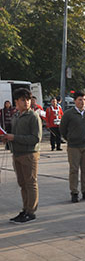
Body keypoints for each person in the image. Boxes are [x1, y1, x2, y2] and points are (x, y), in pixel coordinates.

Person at [1, 88, 42, 223]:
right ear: (16, 102)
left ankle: (31, 212)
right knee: (22, 183)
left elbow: (35, 138)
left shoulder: (33, 116)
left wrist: (15, 137)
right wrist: (7, 138)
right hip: (17, 153)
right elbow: (15, 134)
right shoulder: (16, 116)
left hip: (29, 154)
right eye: (23, 100)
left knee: (31, 183)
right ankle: (25, 209)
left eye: (28, 100)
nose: (26, 102)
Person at [60, 91, 85, 203]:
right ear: (75, 101)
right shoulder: (68, 114)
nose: (82, 102)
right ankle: (74, 192)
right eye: (80, 99)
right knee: (74, 170)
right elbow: (63, 129)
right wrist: (70, 139)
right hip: (74, 146)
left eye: (84, 99)